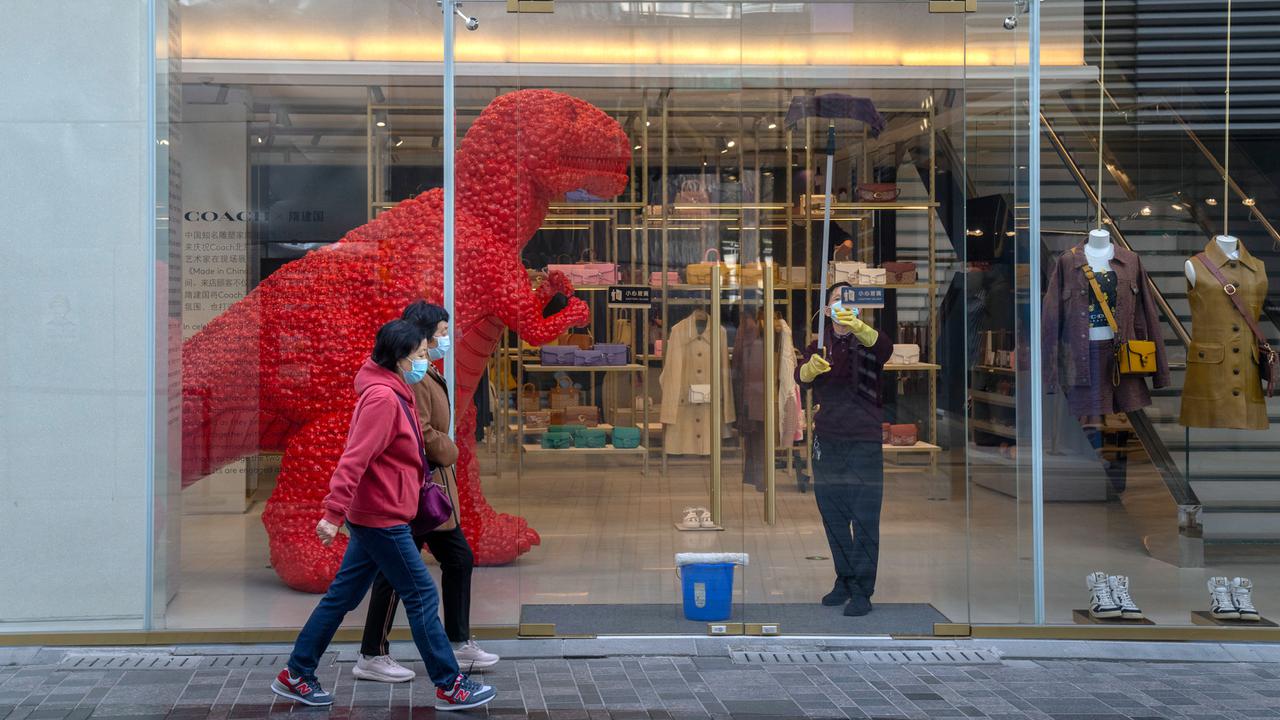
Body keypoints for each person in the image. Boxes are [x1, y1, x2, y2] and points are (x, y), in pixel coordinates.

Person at [270, 319, 495, 711]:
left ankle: (297, 672)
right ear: (398, 359)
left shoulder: (396, 390)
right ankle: (449, 684)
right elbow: (354, 459)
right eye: (420, 355)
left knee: (343, 596)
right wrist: (332, 513)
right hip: (381, 517)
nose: (426, 360)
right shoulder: (382, 399)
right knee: (422, 593)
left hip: (381, 513)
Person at [354, 302, 499, 683]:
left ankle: (454, 641)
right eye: (441, 332)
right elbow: (419, 431)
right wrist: (448, 449)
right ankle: (375, 652)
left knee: (452, 560)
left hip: (429, 492)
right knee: (399, 574)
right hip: (416, 490)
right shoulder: (408, 378)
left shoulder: (424, 370)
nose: (446, 339)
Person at [796, 283, 893, 617]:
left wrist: (858, 327)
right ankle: (845, 580)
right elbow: (801, 377)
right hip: (828, 439)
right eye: (836, 301)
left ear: (859, 308)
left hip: (864, 440)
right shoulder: (819, 345)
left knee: (865, 517)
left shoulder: (869, 340)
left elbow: (884, 350)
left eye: (848, 302)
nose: (841, 306)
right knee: (834, 515)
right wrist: (809, 368)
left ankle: (863, 590)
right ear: (825, 310)